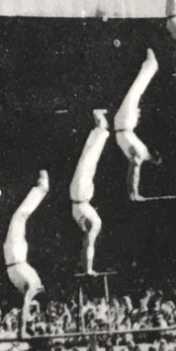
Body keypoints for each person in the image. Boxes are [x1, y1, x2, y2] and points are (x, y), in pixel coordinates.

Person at [3, 170, 50, 337]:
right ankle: (41, 189)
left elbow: (25, 307)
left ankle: (42, 189)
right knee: (18, 217)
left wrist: (21, 331)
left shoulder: (32, 286)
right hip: (16, 258)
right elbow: (25, 306)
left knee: (19, 217)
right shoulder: (31, 285)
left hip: (15, 258)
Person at [114, 48, 162, 199]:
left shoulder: (141, 154)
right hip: (125, 126)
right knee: (135, 94)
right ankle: (150, 65)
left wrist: (133, 193)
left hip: (124, 124)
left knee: (136, 91)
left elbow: (133, 174)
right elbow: (132, 172)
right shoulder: (141, 152)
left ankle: (151, 65)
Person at [70, 110, 110, 275]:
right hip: (78, 197)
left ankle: (100, 125)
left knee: (89, 158)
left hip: (80, 194)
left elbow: (88, 245)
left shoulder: (93, 227)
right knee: (87, 157)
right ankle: (98, 126)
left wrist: (88, 269)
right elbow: (86, 246)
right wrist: (86, 266)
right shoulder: (87, 224)